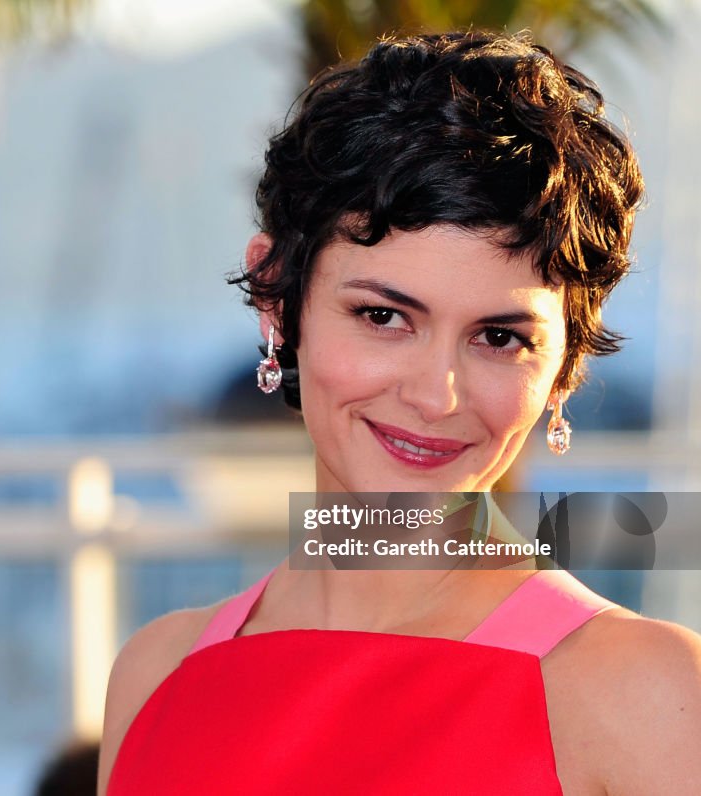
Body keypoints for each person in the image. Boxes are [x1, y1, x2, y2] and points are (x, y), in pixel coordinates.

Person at [98, 30, 701, 795]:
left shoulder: (644, 693)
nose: (434, 395)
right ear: (279, 299)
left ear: (563, 368)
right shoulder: (154, 675)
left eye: (498, 337)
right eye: (384, 317)